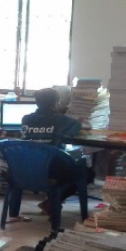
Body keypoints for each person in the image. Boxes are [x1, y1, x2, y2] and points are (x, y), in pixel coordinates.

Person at [16, 87, 87, 216]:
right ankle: (53, 201)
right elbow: (78, 127)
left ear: (36, 102)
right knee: (86, 173)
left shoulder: (26, 119)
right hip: (51, 169)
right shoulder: (62, 120)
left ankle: (48, 202)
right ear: (56, 103)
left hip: (25, 168)